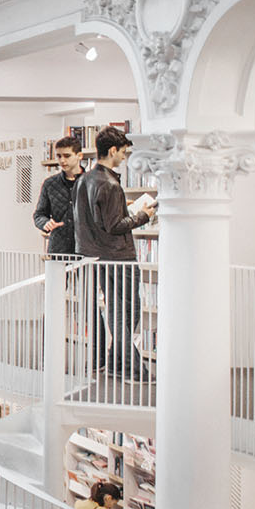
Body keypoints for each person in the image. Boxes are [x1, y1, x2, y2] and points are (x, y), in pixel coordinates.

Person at [75, 127, 155, 379]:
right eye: (123, 152)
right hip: (117, 256)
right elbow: (113, 226)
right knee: (127, 311)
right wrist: (143, 216)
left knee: (116, 310)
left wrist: (123, 209)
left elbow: (94, 218)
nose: (125, 157)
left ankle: (115, 363)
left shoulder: (84, 180)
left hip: (94, 255)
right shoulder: (109, 184)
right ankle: (132, 368)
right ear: (112, 151)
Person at [34, 136, 86, 256]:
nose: (62, 160)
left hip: (86, 251)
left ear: (79, 156)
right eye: (59, 156)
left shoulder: (92, 182)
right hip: (58, 250)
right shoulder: (49, 184)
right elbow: (39, 215)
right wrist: (45, 223)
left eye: (67, 156)